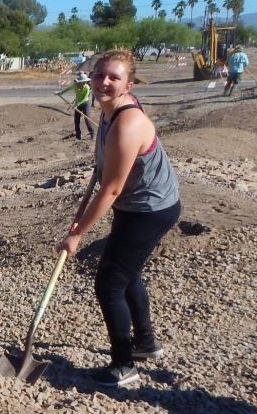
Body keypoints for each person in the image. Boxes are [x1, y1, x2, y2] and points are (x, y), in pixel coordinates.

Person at [56, 50, 181, 387]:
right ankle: (146, 343)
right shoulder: (109, 112)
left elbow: (111, 189)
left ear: (129, 84)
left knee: (109, 282)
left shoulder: (128, 123)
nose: (104, 82)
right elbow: (107, 171)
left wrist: (77, 233)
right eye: (99, 75)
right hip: (136, 205)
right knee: (127, 273)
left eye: (114, 77)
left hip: (150, 209)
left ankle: (124, 365)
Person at [55, 72, 95, 139]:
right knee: (76, 120)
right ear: (79, 82)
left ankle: (92, 133)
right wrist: (60, 93)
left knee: (87, 119)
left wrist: (77, 104)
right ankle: (78, 135)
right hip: (77, 103)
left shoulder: (87, 87)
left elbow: (84, 98)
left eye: (85, 82)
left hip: (85, 103)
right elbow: (68, 88)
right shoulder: (75, 85)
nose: (84, 83)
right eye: (83, 82)